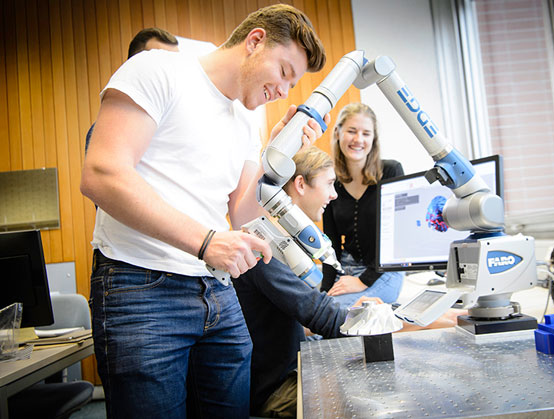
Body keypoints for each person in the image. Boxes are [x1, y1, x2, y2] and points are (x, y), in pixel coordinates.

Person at [80, 5, 327, 418]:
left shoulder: (246, 120)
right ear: (255, 41)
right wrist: (205, 241)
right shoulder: (158, 70)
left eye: (293, 83)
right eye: (284, 72)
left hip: (216, 291)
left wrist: (278, 153)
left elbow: (243, 212)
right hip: (141, 288)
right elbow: (102, 174)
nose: (285, 91)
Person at [235, 146, 462, 418]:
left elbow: (293, 322)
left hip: (292, 369)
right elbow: (331, 321)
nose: (334, 194)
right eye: (330, 184)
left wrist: (372, 311)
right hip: (279, 390)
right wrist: (428, 321)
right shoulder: (265, 252)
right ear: (300, 184)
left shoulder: (283, 247)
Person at [322, 102, 405, 309]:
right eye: (351, 131)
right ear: (338, 133)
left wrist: (363, 281)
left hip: (384, 270)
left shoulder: (392, 171)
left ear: (373, 139)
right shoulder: (332, 181)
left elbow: (398, 237)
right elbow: (331, 243)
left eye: (366, 133)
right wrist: (324, 292)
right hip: (346, 269)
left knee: (333, 316)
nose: (358, 139)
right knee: (317, 312)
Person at [85, 27, 180, 153]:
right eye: (161, 62)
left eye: (175, 62)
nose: (170, 70)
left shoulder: (185, 124)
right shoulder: (108, 131)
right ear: (135, 65)